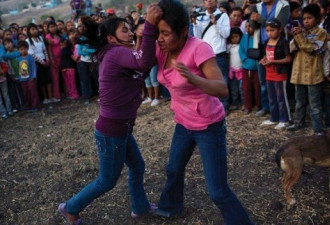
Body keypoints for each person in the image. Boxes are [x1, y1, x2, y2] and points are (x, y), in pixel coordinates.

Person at [57, 5, 163, 224]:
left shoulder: (115, 53)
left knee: (137, 166)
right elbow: (143, 62)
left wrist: (144, 40)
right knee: (107, 181)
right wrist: (150, 27)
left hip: (121, 128)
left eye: (129, 29)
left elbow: (141, 67)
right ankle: (70, 207)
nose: (131, 33)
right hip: (112, 131)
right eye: (125, 30)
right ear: (111, 38)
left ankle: (140, 208)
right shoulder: (115, 54)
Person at [154, 1, 253, 224]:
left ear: (183, 32)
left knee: (217, 191)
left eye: (165, 33)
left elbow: (221, 89)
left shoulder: (199, 48)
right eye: (157, 32)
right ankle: (171, 207)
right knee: (173, 169)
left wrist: (193, 78)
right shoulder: (161, 49)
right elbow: (138, 58)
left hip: (208, 125)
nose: (160, 38)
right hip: (183, 122)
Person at [287, 4, 328, 135]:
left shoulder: (322, 33)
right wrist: (296, 36)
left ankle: (317, 128)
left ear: (317, 19)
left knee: (314, 104)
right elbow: (291, 48)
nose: (306, 21)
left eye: (309, 18)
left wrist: (299, 37)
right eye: (304, 18)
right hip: (299, 72)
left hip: (313, 74)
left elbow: (312, 49)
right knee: (300, 101)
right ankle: (299, 122)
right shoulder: (302, 32)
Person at [250, 0, 290, 117]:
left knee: (279, 82)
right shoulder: (257, 6)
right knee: (264, 81)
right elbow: (253, 26)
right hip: (262, 46)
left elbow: (280, 24)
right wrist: (252, 11)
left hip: (278, 47)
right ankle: (268, 109)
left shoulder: (283, 4)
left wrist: (261, 19)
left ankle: (283, 114)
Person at [192, 0, 231, 114]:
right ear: (204, 3)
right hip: (205, 55)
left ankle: (224, 106)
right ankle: (211, 106)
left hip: (218, 53)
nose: (209, 2)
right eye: (206, 0)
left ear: (216, 2)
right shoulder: (201, 16)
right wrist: (194, 24)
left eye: (211, 0)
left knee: (222, 80)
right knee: (206, 81)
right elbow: (198, 37)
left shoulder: (223, 16)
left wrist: (216, 24)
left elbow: (226, 34)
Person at [259, 19, 292, 129]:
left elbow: (288, 59)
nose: (269, 33)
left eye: (272, 30)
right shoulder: (267, 42)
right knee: (272, 97)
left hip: (279, 74)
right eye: (267, 30)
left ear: (280, 30)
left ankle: (285, 119)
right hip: (269, 73)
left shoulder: (283, 42)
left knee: (281, 98)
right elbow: (267, 55)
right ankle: (274, 118)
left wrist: (273, 62)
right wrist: (264, 60)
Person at [26, 23, 53, 104]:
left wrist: (47, 60)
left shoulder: (40, 38)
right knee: (42, 81)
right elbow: (32, 54)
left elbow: (44, 50)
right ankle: (45, 98)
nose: (35, 30)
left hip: (45, 60)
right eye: (33, 29)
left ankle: (50, 97)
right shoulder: (28, 41)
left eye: (36, 28)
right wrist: (42, 62)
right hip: (37, 63)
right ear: (29, 31)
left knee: (48, 79)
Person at [239, 21, 261, 115]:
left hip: (256, 66)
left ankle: (258, 105)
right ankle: (247, 106)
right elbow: (241, 50)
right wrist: (244, 59)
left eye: (250, 26)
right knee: (246, 87)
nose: (248, 28)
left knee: (257, 87)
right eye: (246, 26)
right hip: (246, 66)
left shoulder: (258, 37)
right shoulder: (244, 37)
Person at [17, 40, 40, 112]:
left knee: (33, 92)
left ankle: (35, 106)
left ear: (27, 49)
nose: (23, 50)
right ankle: (28, 105)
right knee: (26, 93)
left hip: (30, 78)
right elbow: (18, 68)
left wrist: (33, 76)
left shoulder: (30, 57)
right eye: (21, 49)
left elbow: (33, 67)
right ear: (19, 50)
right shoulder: (18, 58)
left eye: (24, 49)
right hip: (22, 79)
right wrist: (19, 77)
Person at [227, 27, 244, 110]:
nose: (234, 39)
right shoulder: (229, 47)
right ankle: (235, 103)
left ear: (240, 36)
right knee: (234, 89)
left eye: (236, 36)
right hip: (232, 71)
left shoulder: (242, 46)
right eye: (232, 37)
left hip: (241, 70)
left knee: (242, 89)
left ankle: (243, 103)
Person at [45, 21, 62, 102]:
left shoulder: (59, 35)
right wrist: (52, 60)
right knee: (55, 78)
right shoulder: (48, 37)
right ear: (48, 28)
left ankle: (62, 93)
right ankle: (56, 95)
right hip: (53, 59)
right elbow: (49, 50)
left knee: (61, 77)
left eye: (54, 26)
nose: (53, 28)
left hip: (61, 58)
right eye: (51, 27)